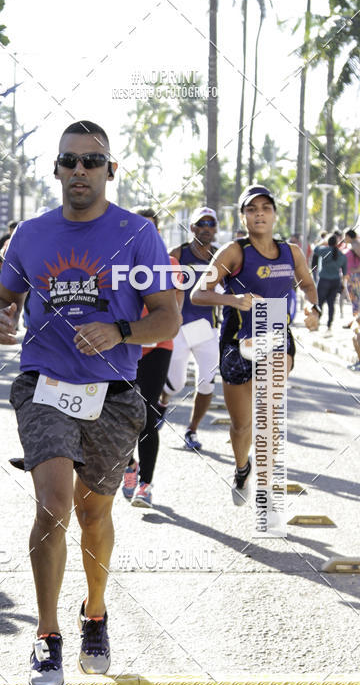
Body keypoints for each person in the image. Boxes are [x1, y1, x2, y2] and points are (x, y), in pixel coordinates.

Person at [0, 120, 180, 685]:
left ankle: (94, 612)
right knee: (53, 505)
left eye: (91, 161)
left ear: (109, 170)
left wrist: (120, 328)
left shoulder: (137, 233)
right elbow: (5, 296)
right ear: (56, 171)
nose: (79, 171)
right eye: (69, 161)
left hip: (114, 395)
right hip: (43, 385)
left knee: (94, 513)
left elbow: (167, 316)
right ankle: (47, 637)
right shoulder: (30, 234)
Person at [191, 184, 319, 505]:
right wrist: (232, 298)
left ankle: (267, 484)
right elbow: (198, 293)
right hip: (238, 342)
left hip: (276, 336)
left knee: (269, 410)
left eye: (265, 208)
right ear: (243, 216)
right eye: (252, 209)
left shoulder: (292, 252)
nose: (259, 214)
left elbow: (307, 284)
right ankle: (241, 467)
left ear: (275, 215)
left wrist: (311, 307)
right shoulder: (235, 251)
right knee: (241, 425)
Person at [121, 209, 176, 507]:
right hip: (124, 345)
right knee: (119, 414)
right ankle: (129, 464)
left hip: (159, 346)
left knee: (148, 415)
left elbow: (174, 309)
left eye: (151, 229)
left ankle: (145, 485)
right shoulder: (117, 260)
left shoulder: (172, 263)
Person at [156, 206, 220, 452]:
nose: (206, 228)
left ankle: (192, 430)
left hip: (207, 329)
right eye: (201, 223)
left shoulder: (220, 255)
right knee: (175, 384)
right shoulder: (178, 254)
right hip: (180, 328)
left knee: (206, 383)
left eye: (210, 223)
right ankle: (163, 403)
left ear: (215, 229)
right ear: (192, 228)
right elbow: (160, 286)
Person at [312, 233, 347, 333]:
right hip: (335, 281)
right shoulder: (342, 255)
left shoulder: (325, 250)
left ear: (328, 242)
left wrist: (322, 241)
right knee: (331, 304)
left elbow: (315, 249)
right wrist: (343, 285)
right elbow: (344, 273)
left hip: (324, 280)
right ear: (337, 243)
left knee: (320, 303)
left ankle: (317, 322)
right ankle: (329, 325)